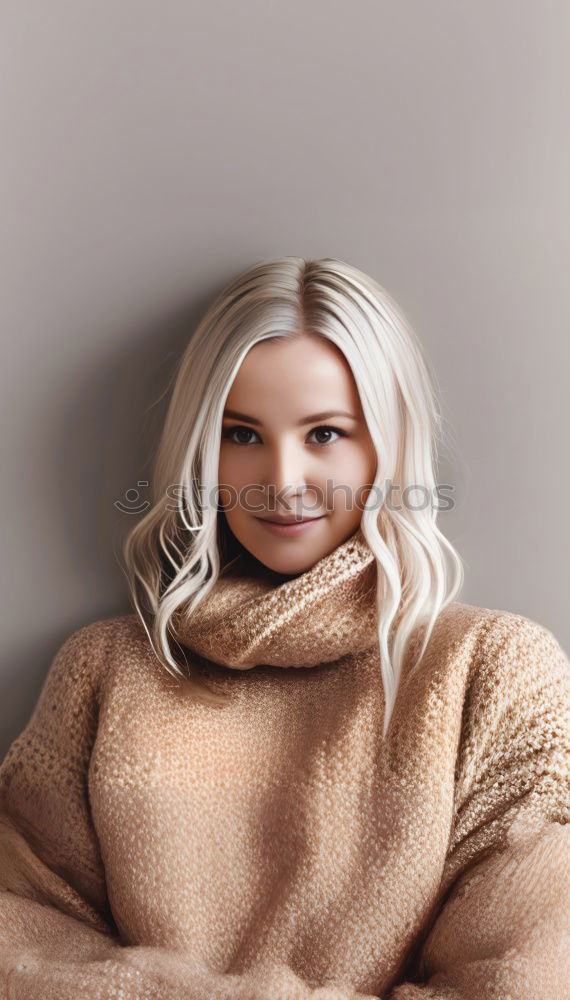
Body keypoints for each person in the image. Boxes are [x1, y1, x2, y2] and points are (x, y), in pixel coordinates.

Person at [0, 256, 568, 999]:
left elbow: (528, 975)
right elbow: (19, 941)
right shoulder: (105, 671)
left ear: (387, 449)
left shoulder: (493, 670)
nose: (282, 478)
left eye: (326, 434)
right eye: (242, 435)